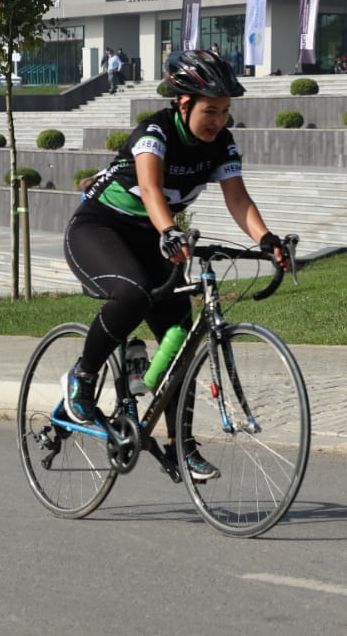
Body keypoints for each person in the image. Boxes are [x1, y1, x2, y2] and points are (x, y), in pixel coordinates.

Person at [61, 48, 287, 480]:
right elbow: (149, 189)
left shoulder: (221, 142)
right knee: (131, 293)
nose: (218, 120)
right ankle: (83, 378)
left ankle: (180, 445)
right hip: (99, 229)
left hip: (156, 239)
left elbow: (238, 199)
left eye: (224, 111)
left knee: (181, 342)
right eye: (210, 110)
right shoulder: (155, 132)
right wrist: (168, 231)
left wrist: (268, 240)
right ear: (183, 103)